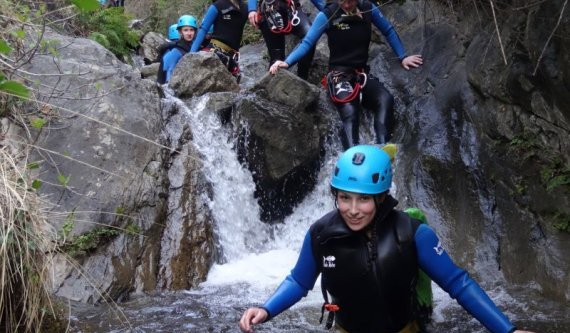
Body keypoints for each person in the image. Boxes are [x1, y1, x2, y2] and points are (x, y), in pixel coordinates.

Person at [239, 145, 537, 333]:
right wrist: (266, 309)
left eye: (364, 200)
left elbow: (459, 284)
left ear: (381, 197)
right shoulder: (321, 234)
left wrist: (507, 330)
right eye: (344, 198)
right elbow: (299, 282)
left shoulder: (411, 233)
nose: (353, 210)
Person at [269, 0, 422, 150]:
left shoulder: (368, 8)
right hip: (338, 75)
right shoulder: (328, 14)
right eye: (343, 1)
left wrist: (403, 56)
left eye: (350, 1)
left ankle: (383, 147)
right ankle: (352, 156)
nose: (347, 5)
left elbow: (388, 30)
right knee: (350, 110)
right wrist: (287, 62)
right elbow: (307, 42)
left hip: (361, 74)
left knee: (385, 99)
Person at [248, 0, 324, 80]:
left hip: (292, 10)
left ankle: (302, 78)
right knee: (277, 59)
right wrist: (252, 9)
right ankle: (271, 87)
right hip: (269, 12)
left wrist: (329, 11)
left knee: (309, 34)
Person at [191, 0, 248, 81]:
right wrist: (191, 54)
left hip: (233, 57)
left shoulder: (245, 8)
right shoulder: (218, 6)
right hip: (215, 53)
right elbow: (203, 29)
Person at [158, 15, 198, 84]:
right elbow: (169, 75)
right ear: (180, 32)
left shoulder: (194, 46)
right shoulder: (175, 51)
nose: (189, 33)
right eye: (185, 30)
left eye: (191, 30)